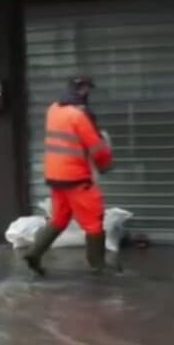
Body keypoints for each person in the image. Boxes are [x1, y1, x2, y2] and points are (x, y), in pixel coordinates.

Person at [23, 76, 114, 276]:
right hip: (77, 178)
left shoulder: (54, 110)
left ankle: (34, 253)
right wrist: (106, 165)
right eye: (88, 89)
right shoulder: (79, 116)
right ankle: (98, 265)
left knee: (59, 219)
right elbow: (97, 148)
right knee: (93, 220)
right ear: (82, 90)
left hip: (56, 176)